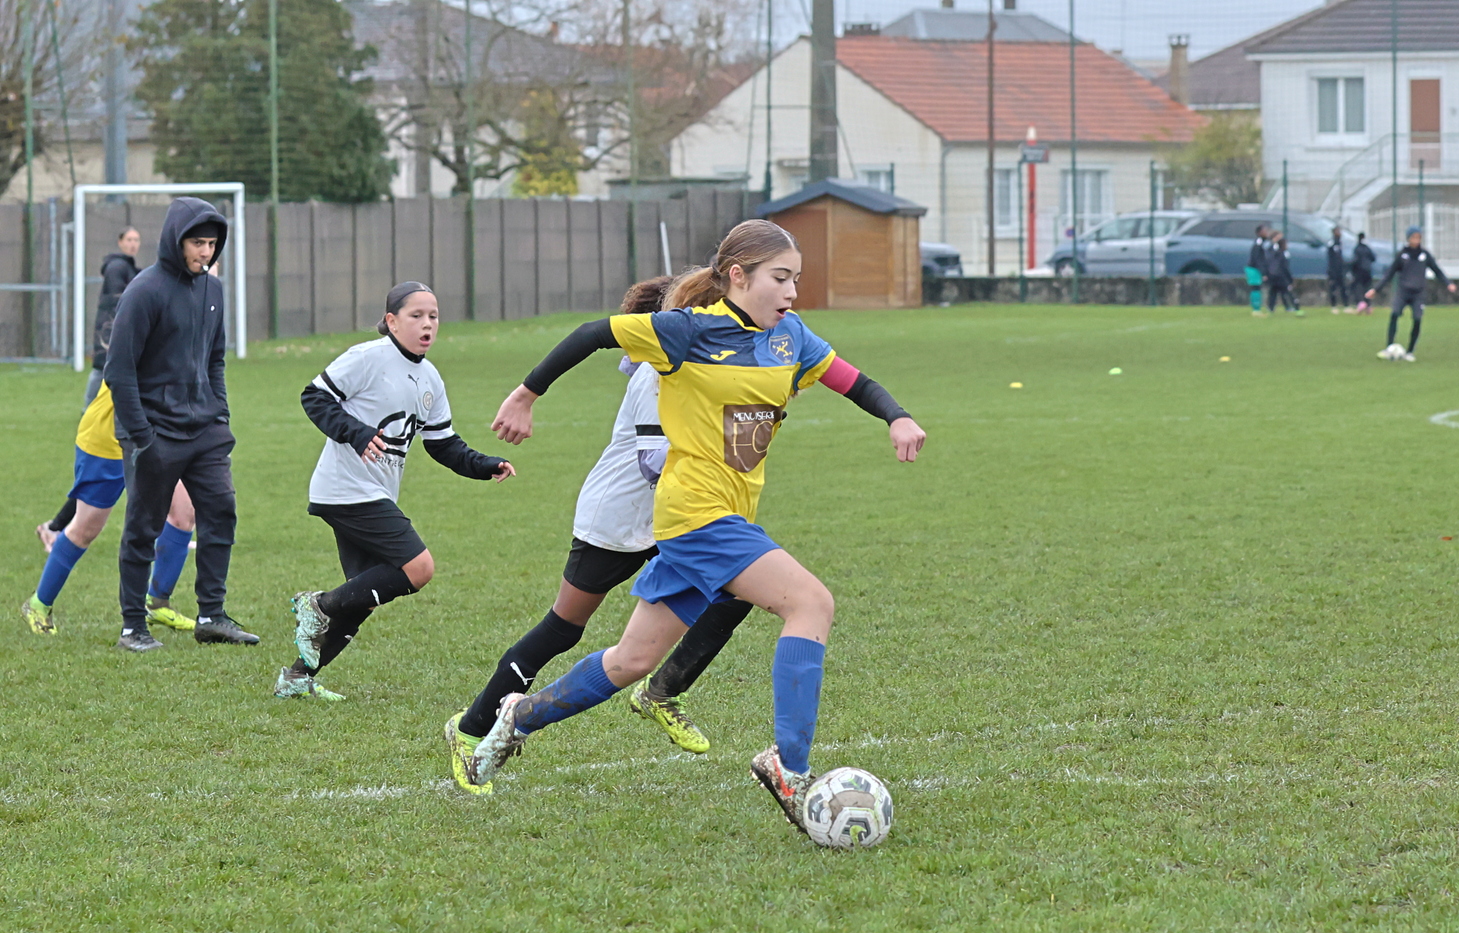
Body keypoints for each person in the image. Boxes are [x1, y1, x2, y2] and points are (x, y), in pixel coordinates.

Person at [458, 220, 926, 833]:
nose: (792, 292)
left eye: (796, 279)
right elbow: (593, 333)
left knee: (631, 660)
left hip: (721, 517)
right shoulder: (687, 331)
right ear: (738, 276)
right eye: (780, 278)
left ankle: (519, 718)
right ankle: (790, 767)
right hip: (697, 515)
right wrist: (525, 394)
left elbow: (852, 380)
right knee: (811, 603)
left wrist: (896, 416)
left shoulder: (791, 338)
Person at [281, 282, 515, 701]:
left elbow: (443, 444)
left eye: (434, 316)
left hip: (373, 492)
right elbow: (314, 397)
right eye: (416, 316)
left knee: (363, 599)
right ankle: (317, 605)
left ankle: (297, 678)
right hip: (346, 489)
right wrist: (356, 433)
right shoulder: (369, 357)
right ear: (391, 321)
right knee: (418, 568)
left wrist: (484, 465)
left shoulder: (430, 378)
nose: (428, 324)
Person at [104, 196, 256, 652]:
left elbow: (215, 358)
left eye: (211, 244)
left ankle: (211, 616)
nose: (205, 252)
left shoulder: (214, 290)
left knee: (221, 512)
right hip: (154, 433)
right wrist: (143, 437)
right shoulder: (144, 291)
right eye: (197, 243)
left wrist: (220, 413)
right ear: (176, 241)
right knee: (143, 527)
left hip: (205, 431)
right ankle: (133, 627)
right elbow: (118, 371)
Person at [22, 380, 199, 635]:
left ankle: (157, 603)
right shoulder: (134, 351)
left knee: (184, 513)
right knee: (85, 528)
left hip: (158, 435)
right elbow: (123, 378)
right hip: (108, 439)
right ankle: (38, 604)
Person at [35, 227, 143, 552]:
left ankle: (171, 528)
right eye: (129, 240)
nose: (133, 244)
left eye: (137, 240)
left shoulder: (129, 269)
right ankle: (54, 528)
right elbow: (117, 311)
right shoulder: (117, 268)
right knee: (100, 473)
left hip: (117, 384)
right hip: (108, 382)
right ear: (120, 242)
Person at [1366, 225, 1457, 362]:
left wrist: (1448, 283)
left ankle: (1410, 351)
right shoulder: (1402, 255)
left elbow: (1437, 270)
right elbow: (1389, 273)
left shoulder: (1424, 255)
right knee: (1394, 314)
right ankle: (1389, 347)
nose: (1416, 240)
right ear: (1408, 238)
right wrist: (1376, 290)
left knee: (1417, 319)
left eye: (1418, 237)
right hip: (1403, 292)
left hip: (1418, 294)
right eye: (1413, 237)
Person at [1264, 232, 1303, 316]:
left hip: (1274, 275)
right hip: (1281, 277)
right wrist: (1290, 279)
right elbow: (1285, 267)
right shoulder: (1281, 253)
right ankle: (1296, 307)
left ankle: (1271, 308)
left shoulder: (1276, 252)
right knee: (1288, 291)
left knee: (1273, 292)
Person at [1326, 225, 1351, 313]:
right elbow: (1331, 257)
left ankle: (1346, 306)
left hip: (1340, 269)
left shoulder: (1339, 242)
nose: (1340, 233)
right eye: (1338, 231)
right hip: (1333, 269)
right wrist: (1331, 269)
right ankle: (1334, 306)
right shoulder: (1331, 243)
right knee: (1333, 288)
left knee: (1343, 287)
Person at [1350, 232, 1376, 314]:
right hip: (1368, 270)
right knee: (1367, 287)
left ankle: (1361, 303)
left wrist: (1352, 269)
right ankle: (1368, 305)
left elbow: (1355, 260)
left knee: (1358, 287)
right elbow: (1373, 258)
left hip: (1359, 270)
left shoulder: (1357, 248)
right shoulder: (1367, 248)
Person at [1246, 223, 1269, 317]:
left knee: (1256, 288)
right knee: (1256, 288)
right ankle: (1256, 310)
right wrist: (1263, 272)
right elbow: (1257, 259)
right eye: (1265, 231)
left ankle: (1257, 309)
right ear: (1259, 232)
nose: (1267, 232)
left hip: (1254, 268)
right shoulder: (1258, 243)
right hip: (1254, 269)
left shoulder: (1261, 242)